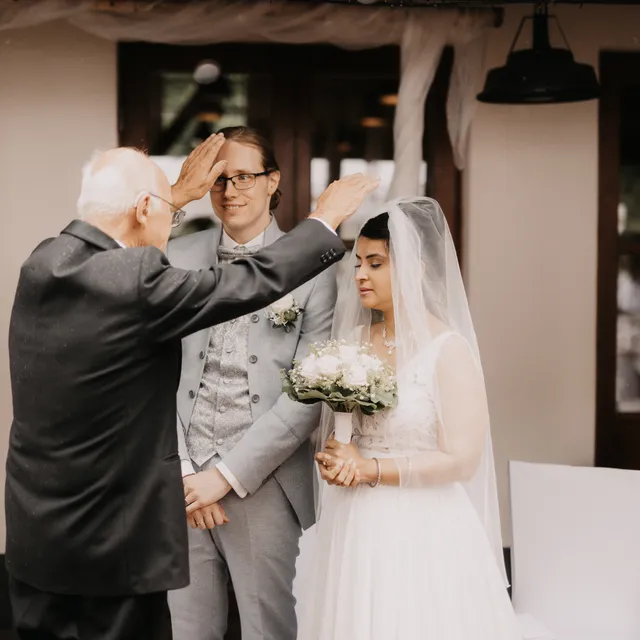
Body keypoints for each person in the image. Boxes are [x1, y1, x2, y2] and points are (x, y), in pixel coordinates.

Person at [5, 132, 378, 640]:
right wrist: (324, 219)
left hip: (39, 530)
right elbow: (246, 283)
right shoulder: (137, 278)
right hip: (115, 535)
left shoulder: (45, 260)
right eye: (165, 210)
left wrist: (170, 196)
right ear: (143, 208)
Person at [297, 198, 522, 640]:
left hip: (423, 524)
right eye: (358, 263)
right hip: (354, 520)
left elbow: (462, 460)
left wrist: (370, 469)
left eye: (375, 263)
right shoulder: (354, 341)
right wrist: (337, 455)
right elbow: (342, 429)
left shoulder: (448, 350)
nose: (360, 275)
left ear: (414, 270)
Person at [167, 126, 337, 640]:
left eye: (244, 177)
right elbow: (149, 372)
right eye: (219, 179)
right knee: (187, 629)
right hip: (180, 481)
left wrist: (225, 476)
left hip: (264, 481)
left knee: (267, 628)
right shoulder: (176, 256)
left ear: (272, 181)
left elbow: (310, 392)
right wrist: (184, 470)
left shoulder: (315, 268)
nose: (230, 190)